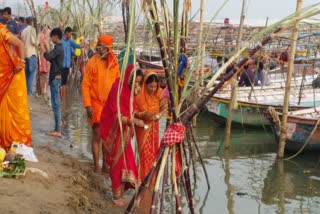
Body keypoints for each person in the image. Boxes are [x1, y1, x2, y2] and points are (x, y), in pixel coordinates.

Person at [100, 64, 144, 206]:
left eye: (139, 82)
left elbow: (131, 109)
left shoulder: (130, 91)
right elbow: (115, 114)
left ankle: (120, 189)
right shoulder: (118, 90)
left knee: (126, 162)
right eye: (135, 81)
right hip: (114, 132)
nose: (137, 85)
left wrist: (139, 116)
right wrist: (132, 121)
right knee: (116, 162)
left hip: (124, 133)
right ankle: (116, 196)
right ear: (129, 78)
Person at [82, 35, 120, 174]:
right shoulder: (92, 62)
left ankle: (105, 165)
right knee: (97, 134)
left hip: (109, 106)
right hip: (96, 104)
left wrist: (118, 105)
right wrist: (88, 105)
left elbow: (117, 85)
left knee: (107, 137)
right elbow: (85, 85)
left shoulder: (114, 63)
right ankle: (96, 166)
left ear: (109, 49)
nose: (100, 49)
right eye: (99, 46)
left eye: (103, 47)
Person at [0, 22, 31, 150]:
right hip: (2, 76)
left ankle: (16, 139)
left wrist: (22, 62)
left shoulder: (2, 32)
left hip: (13, 74)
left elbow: (19, 44)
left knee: (15, 109)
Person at [135, 72, 166, 180]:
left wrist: (158, 115)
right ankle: (142, 178)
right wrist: (142, 114)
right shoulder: (139, 95)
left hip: (154, 128)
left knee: (153, 153)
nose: (153, 89)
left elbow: (163, 109)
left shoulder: (160, 93)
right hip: (142, 128)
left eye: (155, 86)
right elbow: (133, 111)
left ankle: (151, 179)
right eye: (150, 86)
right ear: (145, 84)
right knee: (143, 155)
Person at [44, 28, 64, 137]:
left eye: (51, 37)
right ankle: (58, 125)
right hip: (56, 78)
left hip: (55, 79)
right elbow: (52, 60)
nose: (51, 39)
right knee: (56, 103)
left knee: (56, 104)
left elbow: (48, 56)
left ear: (55, 37)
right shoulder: (58, 48)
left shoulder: (58, 48)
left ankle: (57, 130)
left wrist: (45, 48)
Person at [61, 27, 80, 100]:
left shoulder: (70, 41)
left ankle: (63, 99)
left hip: (67, 65)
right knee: (61, 82)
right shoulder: (61, 41)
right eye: (70, 34)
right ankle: (61, 99)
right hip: (61, 64)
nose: (71, 35)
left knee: (64, 82)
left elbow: (76, 46)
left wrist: (83, 45)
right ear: (66, 33)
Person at [21, 17, 37, 95]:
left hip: (25, 54)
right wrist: (38, 43)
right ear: (32, 22)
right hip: (32, 54)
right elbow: (33, 41)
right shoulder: (32, 29)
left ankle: (26, 90)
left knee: (27, 74)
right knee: (32, 74)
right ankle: (29, 92)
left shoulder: (23, 30)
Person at [39, 25, 51, 99]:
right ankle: (44, 91)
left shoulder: (40, 36)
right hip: (45, 57)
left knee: (41, 75)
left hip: (41, 56)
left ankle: (41, 90)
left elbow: (38, 46)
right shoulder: (45, 39)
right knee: (46, 75)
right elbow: (47, 48)